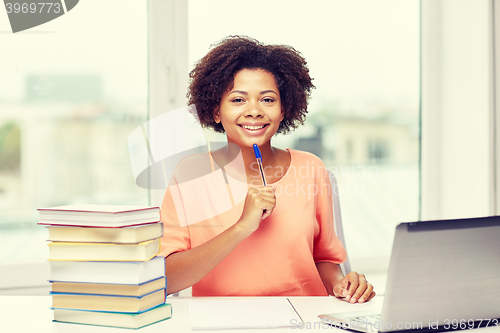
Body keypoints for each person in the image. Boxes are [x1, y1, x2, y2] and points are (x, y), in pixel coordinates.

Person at [159, 36, 375, 303]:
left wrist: (343, 285)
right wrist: (241, 228)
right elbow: (166, 279)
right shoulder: (190, 174)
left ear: (284, 110)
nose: (254, 111)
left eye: (267, 100)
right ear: (216, 111)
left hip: (306, 321)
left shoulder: (311, 168)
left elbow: (324, 259)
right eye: (238, 100)